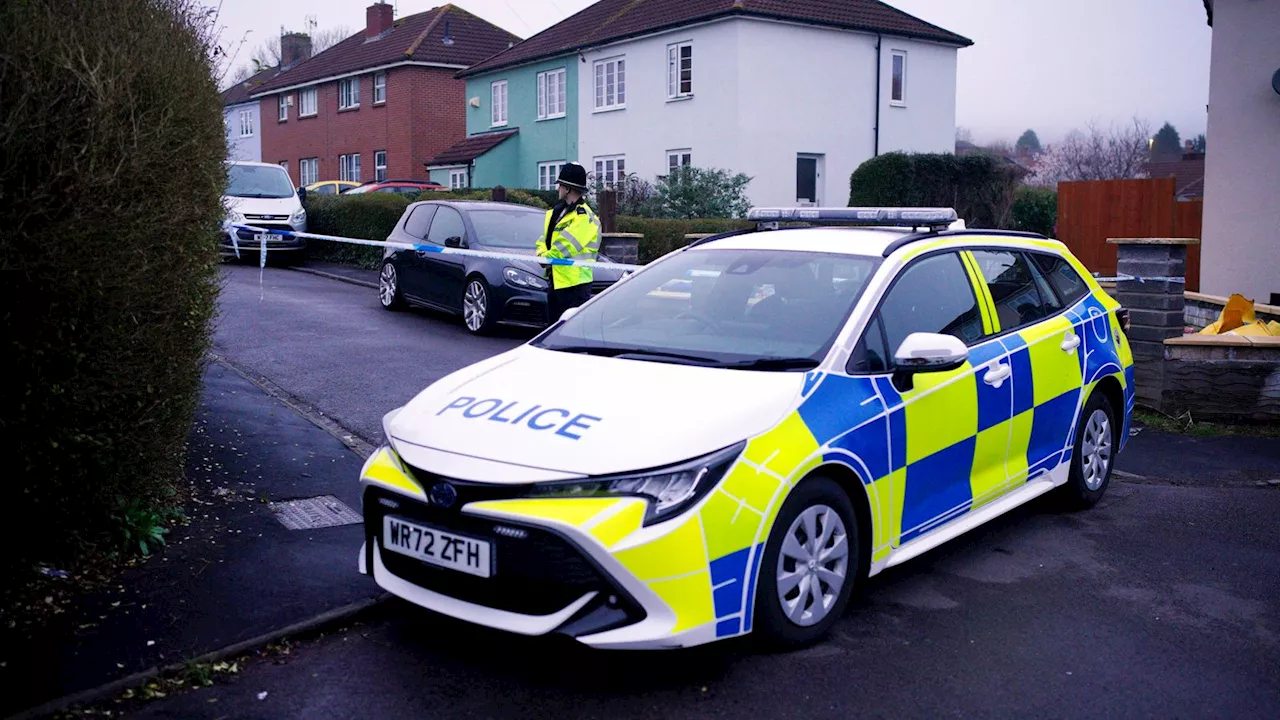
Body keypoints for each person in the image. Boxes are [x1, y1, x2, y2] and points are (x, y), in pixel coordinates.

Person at [537, 163, 601, 324]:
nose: (557, 188)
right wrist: (541, 254)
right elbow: (543, 239)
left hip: (575, 286)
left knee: (571, 334)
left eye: (560, 185)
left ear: (568, 188)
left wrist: (546, 258)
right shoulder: (556, 212)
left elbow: (566, 246)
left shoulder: (585, 217)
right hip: (556, 281)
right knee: (552, 332)